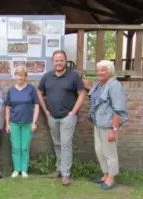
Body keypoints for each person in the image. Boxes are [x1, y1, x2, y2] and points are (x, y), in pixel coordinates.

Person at [37, 50, 86, 186]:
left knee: (65, 144)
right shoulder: (47, 77)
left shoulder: (73, 76)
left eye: (61, 60)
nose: (59, 63)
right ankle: (59, 169)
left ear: (65, 61)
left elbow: (82, 94)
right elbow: (39, 92)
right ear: (53, 62)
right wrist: (45, 111)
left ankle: (66, 173)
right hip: (52, 116)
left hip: (68, 117)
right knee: (57, 144)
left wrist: (73, 112)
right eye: (56, 60)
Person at [89, 60, 128, 190]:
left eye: (103, 70)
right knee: (99, 151)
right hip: (98, 124)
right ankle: (105, 175)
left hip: (108, 126)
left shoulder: (114, 85)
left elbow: (119, 110)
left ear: (110, 71)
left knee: (110, 153)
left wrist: (114, 129)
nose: (100, 72)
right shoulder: (100, 85)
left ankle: (111, 179)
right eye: (99, 70)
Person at [5, 66, 39, 178]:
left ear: (26, 77)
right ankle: (16, 169)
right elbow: (7, 108)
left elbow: (36, 106)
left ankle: (24, 170)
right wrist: (7, 123)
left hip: (27, 123)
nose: (20, 77)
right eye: (18, 74)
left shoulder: (31, 89)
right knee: (15, 147)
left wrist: (34, 122)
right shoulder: (11, 90)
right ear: (15, 76)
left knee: (24, 147)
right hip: (14, 123)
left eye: (22, 75)